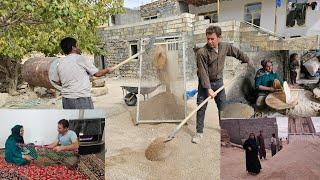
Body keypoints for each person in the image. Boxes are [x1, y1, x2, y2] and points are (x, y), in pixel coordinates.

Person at [192, 25, 254, 144]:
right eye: (208, 39)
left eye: (212, 39)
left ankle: (224, 130)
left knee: (223, 108)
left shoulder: (224, 47)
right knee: (201, 108)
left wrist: (248, 60)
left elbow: (237, 52)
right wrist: (208, 89)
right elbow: (203, 72)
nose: (210, 41)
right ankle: (199, 132)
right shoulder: (201, 53)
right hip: (205, 84)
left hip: (219, 83)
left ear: (219, 38)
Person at [52, 37, 113, 109]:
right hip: (81, 99)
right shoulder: (80, 59)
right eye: (77, 45)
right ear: (73, 47)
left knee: (71, 120)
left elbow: (57, 82)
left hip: (66, 100)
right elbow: (97, 74)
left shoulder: (60, 62)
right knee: (86, 120)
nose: (79, 48)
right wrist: (108, 70)